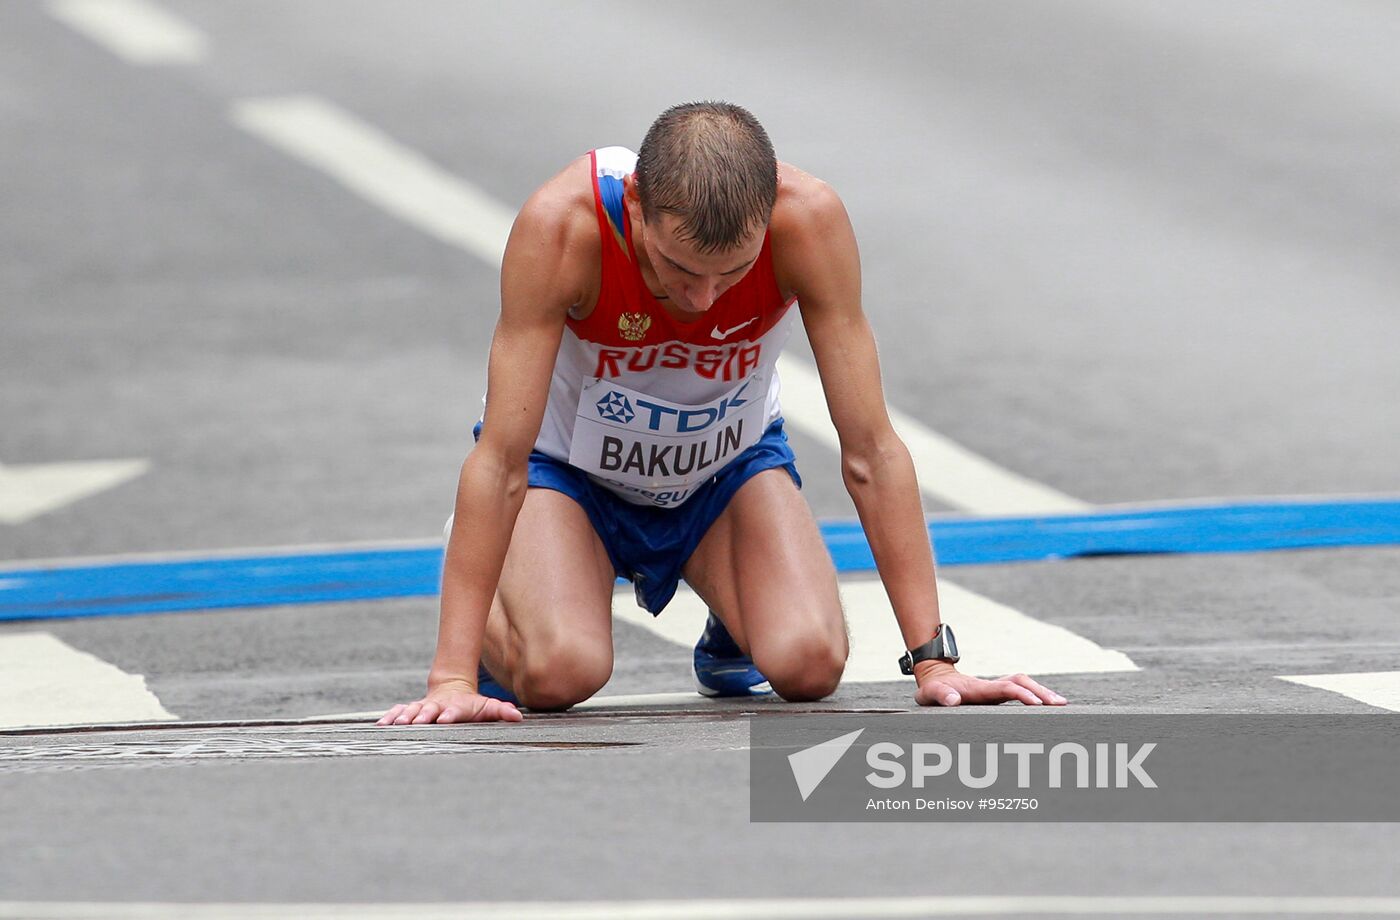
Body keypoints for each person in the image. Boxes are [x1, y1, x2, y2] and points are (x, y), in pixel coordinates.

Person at [378, 101, 1066, 726]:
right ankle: (513, 598)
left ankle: (734, 615)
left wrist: (934, 662)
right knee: (562, 672)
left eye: (733, 273)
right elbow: (498, 456)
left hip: (722, 473)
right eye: (677, 270)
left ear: (768, 217)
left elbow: (871, 451)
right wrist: (451, 678)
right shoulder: (563, 228)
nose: (704, 301)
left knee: (809, 664)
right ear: (638, 206)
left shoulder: (809, 222)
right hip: (568, 479)